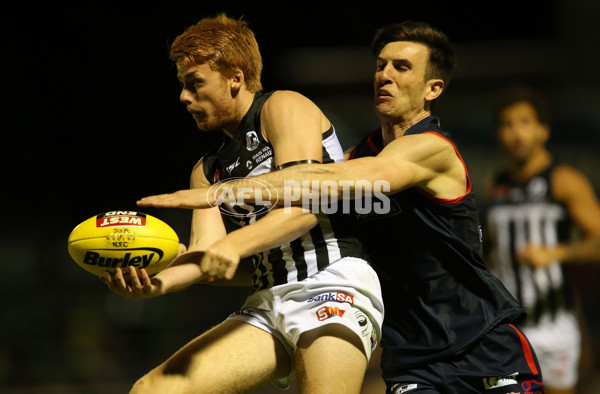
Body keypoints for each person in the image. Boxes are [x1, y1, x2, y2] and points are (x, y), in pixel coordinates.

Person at [138, 21, 546, 393]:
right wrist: (155, 267)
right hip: (413, 357)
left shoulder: (429, 150)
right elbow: (255, 241)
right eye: (381, 64)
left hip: (480, 342)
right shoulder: (352, 157)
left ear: (432, 89)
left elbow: (322, 187)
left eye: (401, 67)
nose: (384, 74)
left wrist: (222, 194)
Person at [104, 13, 385, 394]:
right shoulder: (207, 170)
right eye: (183, 86)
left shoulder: (283, 107)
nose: (184, 97)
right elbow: (205, 256)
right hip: (268, 300)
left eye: (195, 83)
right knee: (153, 390)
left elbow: (303, 209)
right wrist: (155, 285)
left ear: (235, 78)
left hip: (334, 283)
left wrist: (231, 245)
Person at [483, 84, 600, 394]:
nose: (517, 133)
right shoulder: (496, 187)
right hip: (508, 328)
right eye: (508, 124)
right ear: (498, 134)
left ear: (543, 130)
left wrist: (557, 253)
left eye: (525, 122)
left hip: (554, 326)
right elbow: (490, 253)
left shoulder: (564, 181)